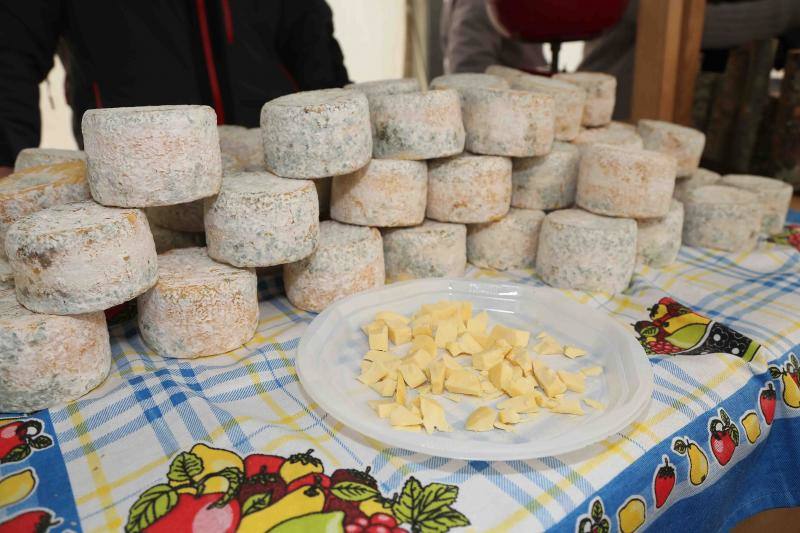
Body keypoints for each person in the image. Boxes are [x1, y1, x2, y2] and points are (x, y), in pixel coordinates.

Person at [0, 1, 349, 177]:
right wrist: (5, 157)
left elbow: (309, 31)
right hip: (138, 168)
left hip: (273, 165)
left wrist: (342, 121)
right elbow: (11, 49)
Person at [442, 0, 800, 119]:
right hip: (515, 110)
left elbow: (690, 25)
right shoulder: (478, 7)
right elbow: (465, 73)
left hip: (603, 105)